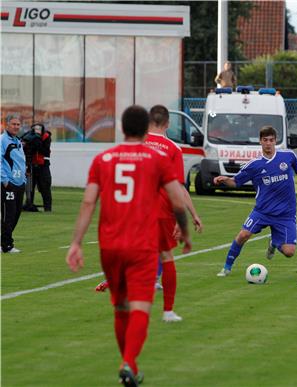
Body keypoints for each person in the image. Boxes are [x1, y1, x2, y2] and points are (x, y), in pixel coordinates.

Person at [66, 105, 192, 386]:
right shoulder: (157, 158)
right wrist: (185, 232)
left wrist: (76, 242)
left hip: (109, 245)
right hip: (142, 245)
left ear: (123, 128)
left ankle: (129, 366)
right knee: (140, 308)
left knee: (120, 308)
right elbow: (176, 198)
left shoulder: (104, 158)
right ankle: (128, 362)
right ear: (145, 126)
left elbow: (88, 202)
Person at [93, 105, 204, 323]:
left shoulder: (136, 144)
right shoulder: (173, 149)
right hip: (162, 209)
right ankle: (168, 311)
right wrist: (191, 215)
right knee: (165, 255)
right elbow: (179, 188)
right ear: (167, 124)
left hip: (134, 207)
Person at [214, 126, 297, 276]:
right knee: (243, 235)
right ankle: (227, 267)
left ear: (275, 141)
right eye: (265, 140)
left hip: (285, 213)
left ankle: (274, 242)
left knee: (289, 252)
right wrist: (225, 180)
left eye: (271, 140)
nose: (268, 143)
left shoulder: (288, 156)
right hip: (262, 211)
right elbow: (235, 182)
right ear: (260, 141)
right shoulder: (254, 165)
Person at [1, 114, 26, 253]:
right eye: (14, 124)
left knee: (16, 213)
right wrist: (4, 180)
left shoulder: (17, 141)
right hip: (8, 184)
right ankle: (6, 245)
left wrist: (24, 179)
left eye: (18, 124)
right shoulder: (2, 140)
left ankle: (2, 241)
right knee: (8, 214)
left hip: (19, 183)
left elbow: (20, 162)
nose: (16, 127)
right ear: (7, 125)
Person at [22, 122, 52, 212]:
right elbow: (24, 148)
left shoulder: (46, 137)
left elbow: (46, 152)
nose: (37, 131)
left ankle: (47, 208)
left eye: (39, 129)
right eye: (35, 129)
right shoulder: (28, 137)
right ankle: (29, 205)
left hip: (43, 165)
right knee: (30, 186)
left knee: (45, 186)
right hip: (31, 164)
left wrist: (38, 144)